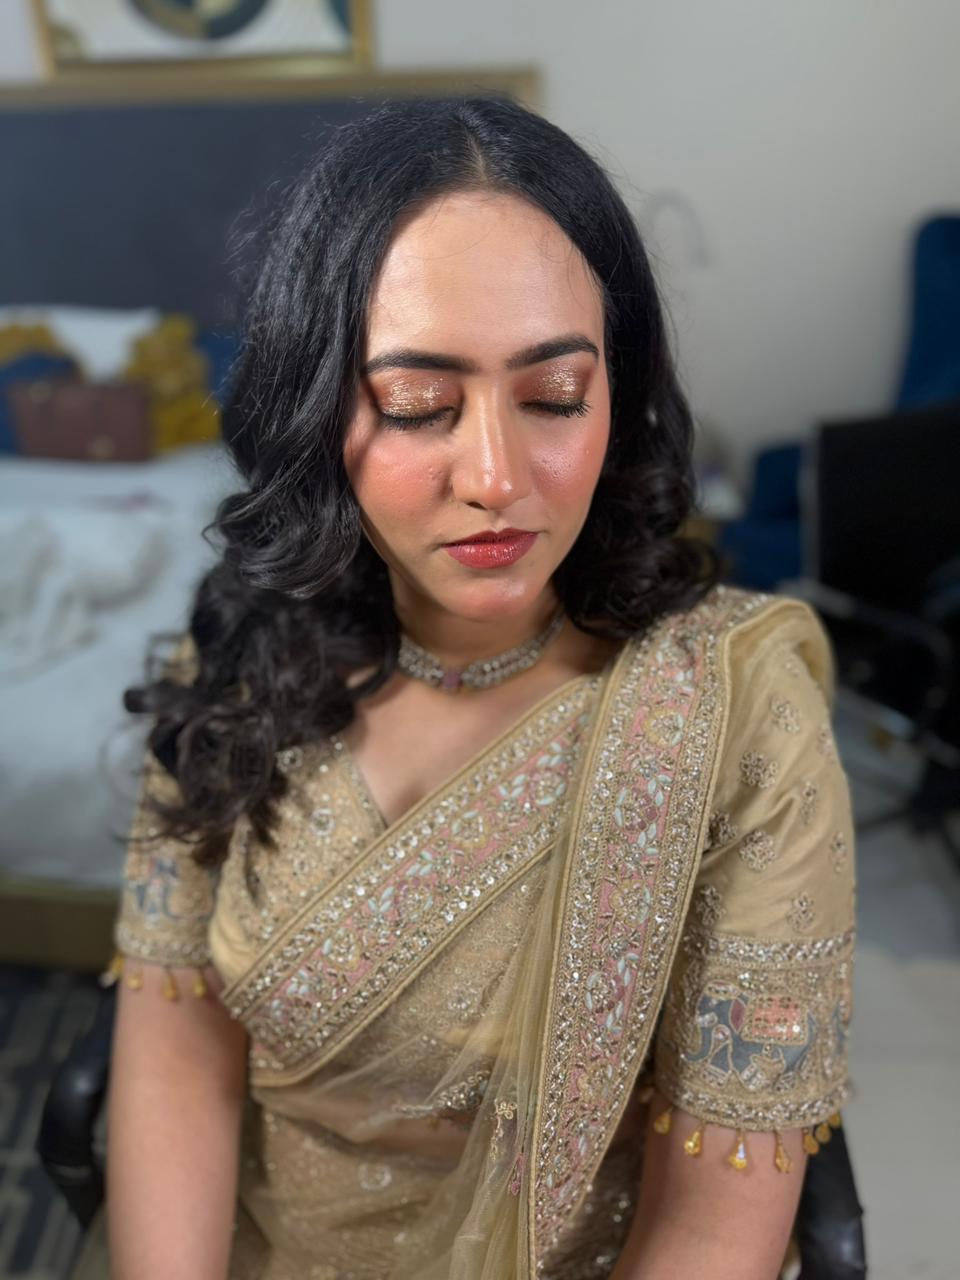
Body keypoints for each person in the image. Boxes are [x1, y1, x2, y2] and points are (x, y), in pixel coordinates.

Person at [95, 95, 857, 1280]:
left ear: (618, 392)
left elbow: (713, 1225)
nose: (496, 475)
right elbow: (176, 1059)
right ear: (313, 408)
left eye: (554, 397)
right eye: (419, 407)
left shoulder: (730, 708)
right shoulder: (239, 656)